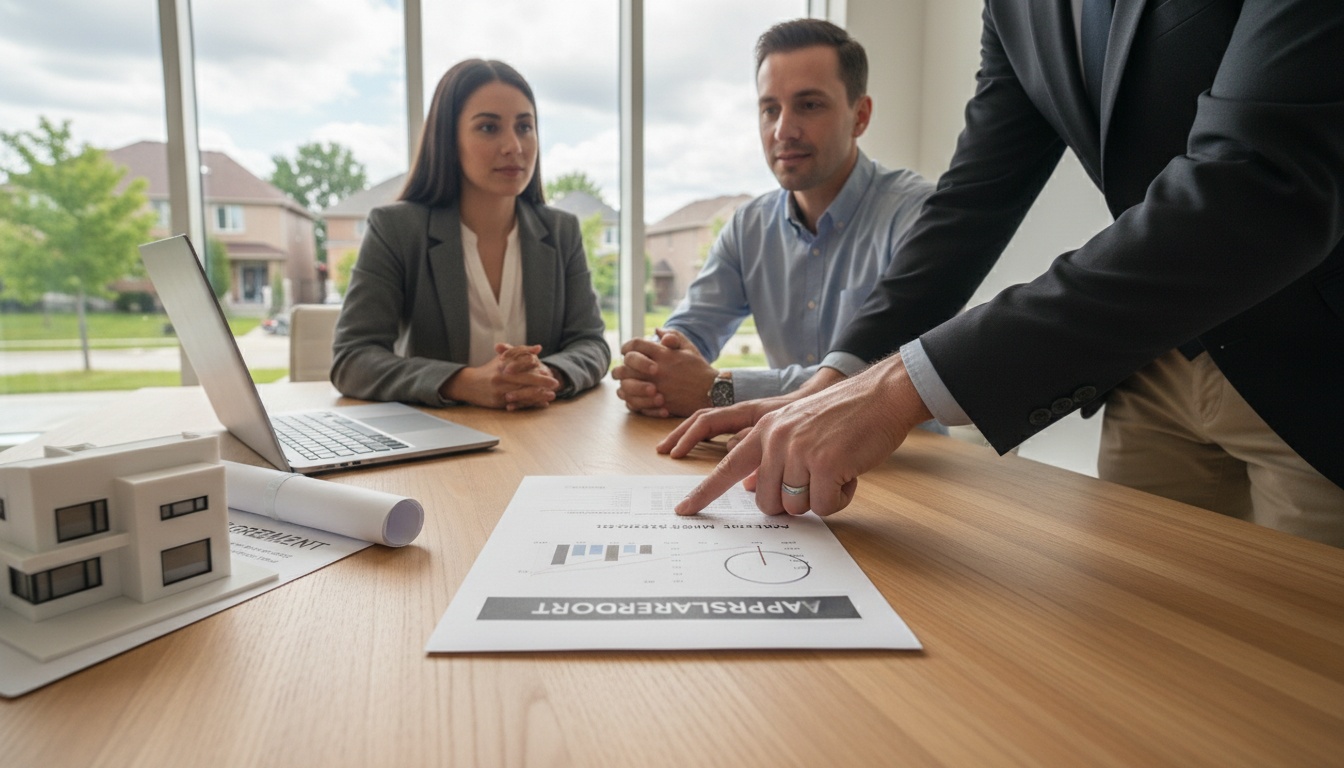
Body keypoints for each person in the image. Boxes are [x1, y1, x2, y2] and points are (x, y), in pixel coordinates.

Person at [665, 1, 1344, 547]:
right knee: (1135, 659)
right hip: (1149, 367)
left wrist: (900, 385)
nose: (786, 127)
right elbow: (974, 201)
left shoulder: (896, 202)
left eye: (810, 103)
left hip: (1315, 363)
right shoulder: (1015, 11)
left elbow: (1259, 184)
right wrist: (830, 383)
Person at [611, 19, 931, 418]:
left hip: (905, 461)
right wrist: (655, 368)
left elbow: (890, 378)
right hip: (782, 454)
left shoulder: (919, 216)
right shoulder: (748, 227)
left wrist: (720, 390)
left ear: (860, 116)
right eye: (769, 109)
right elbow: (690, 331)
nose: (783, 130)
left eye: (808, 105)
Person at [332, 59, 609, 410]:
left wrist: (545, 376)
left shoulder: (561, 231)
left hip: (541, 434)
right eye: (489, 128)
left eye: (525, 127)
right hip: (438, 440)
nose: (514, 146)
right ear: (448, 139)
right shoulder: (397, 229)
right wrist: (464, 382)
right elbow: (352, 359)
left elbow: (591, 344)